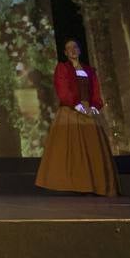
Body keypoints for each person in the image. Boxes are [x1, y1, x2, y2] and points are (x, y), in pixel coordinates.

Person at [34, 37, 118, 196]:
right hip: (70, 111)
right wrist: (76, 105)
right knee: (70, 148)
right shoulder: (63, 68)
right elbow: (62, 89)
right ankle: (73, 185)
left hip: (88, 110)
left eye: (75, 47)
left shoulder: (89, 70)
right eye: (69, 48)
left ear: (79, 50)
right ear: (66, 53)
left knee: (93, 148)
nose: (72, 50)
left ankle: (95, 185)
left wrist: (94, 106)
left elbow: (95, 90)